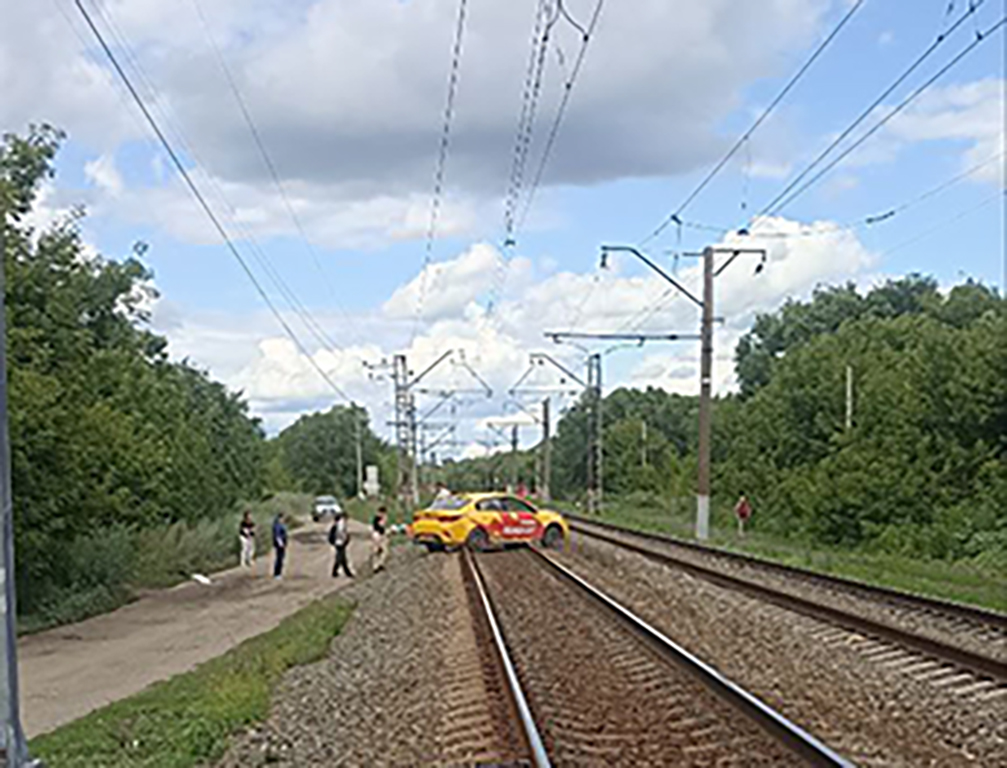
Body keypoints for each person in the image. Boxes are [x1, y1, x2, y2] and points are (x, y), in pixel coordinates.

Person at [329, 510, 354, 578]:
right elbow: (341, 532)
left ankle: (345, 572)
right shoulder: (341, 523)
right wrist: (345, 539)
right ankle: (336, 572)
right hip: (340, 542)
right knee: (340, 558)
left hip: (338, 542)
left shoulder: (338, 523)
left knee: (342, 558)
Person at [371, 506, 389, 573]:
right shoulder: (379, 518)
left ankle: (378, 565)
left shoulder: (377, 518)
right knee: (380, 551)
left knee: (380, 551)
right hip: (378, 535)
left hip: (377, 534)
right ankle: (377, 565)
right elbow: (381, 526)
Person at [272, 512, 288, 579]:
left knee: (281, 558)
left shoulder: (282, 525)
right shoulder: (277, 525)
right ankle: (277, 573)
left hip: (282, 544)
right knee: (279, 558)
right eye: (282, 518)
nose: (283, 519)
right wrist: (281, 544)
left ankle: (279, 573)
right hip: (279, 545)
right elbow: (277, 536)